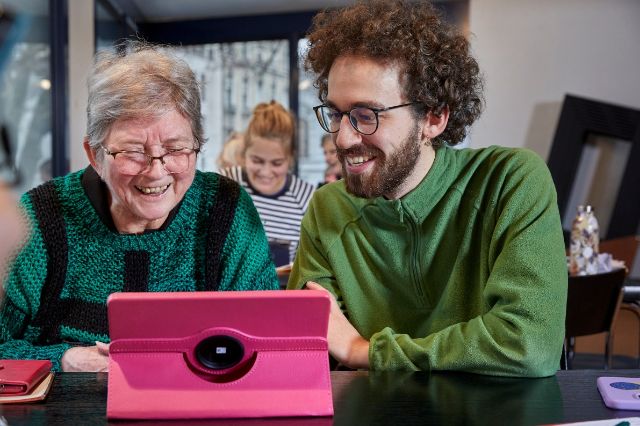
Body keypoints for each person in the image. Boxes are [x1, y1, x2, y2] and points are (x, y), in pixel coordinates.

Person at [288, 0, 567, 377]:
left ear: (434, 118)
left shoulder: (509, 181)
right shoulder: (328, 209)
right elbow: (305, 348)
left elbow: (529, 343)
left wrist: (363, 351)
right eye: (336, 113)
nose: (343, 137)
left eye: (366, 115)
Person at [0, 41, 278, 372]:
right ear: (95, 156)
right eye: (133, 151)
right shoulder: (42, 218)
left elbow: (264, 342)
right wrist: (67, 359)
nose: (156, 170)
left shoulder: (225, 209)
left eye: (176, 149)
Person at [221, 101, 315, 267]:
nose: (265, 172)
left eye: (277, 163)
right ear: (244, 154)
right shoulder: (227, 184)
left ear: (290, 158)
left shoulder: (306, 198)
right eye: (257, 161)